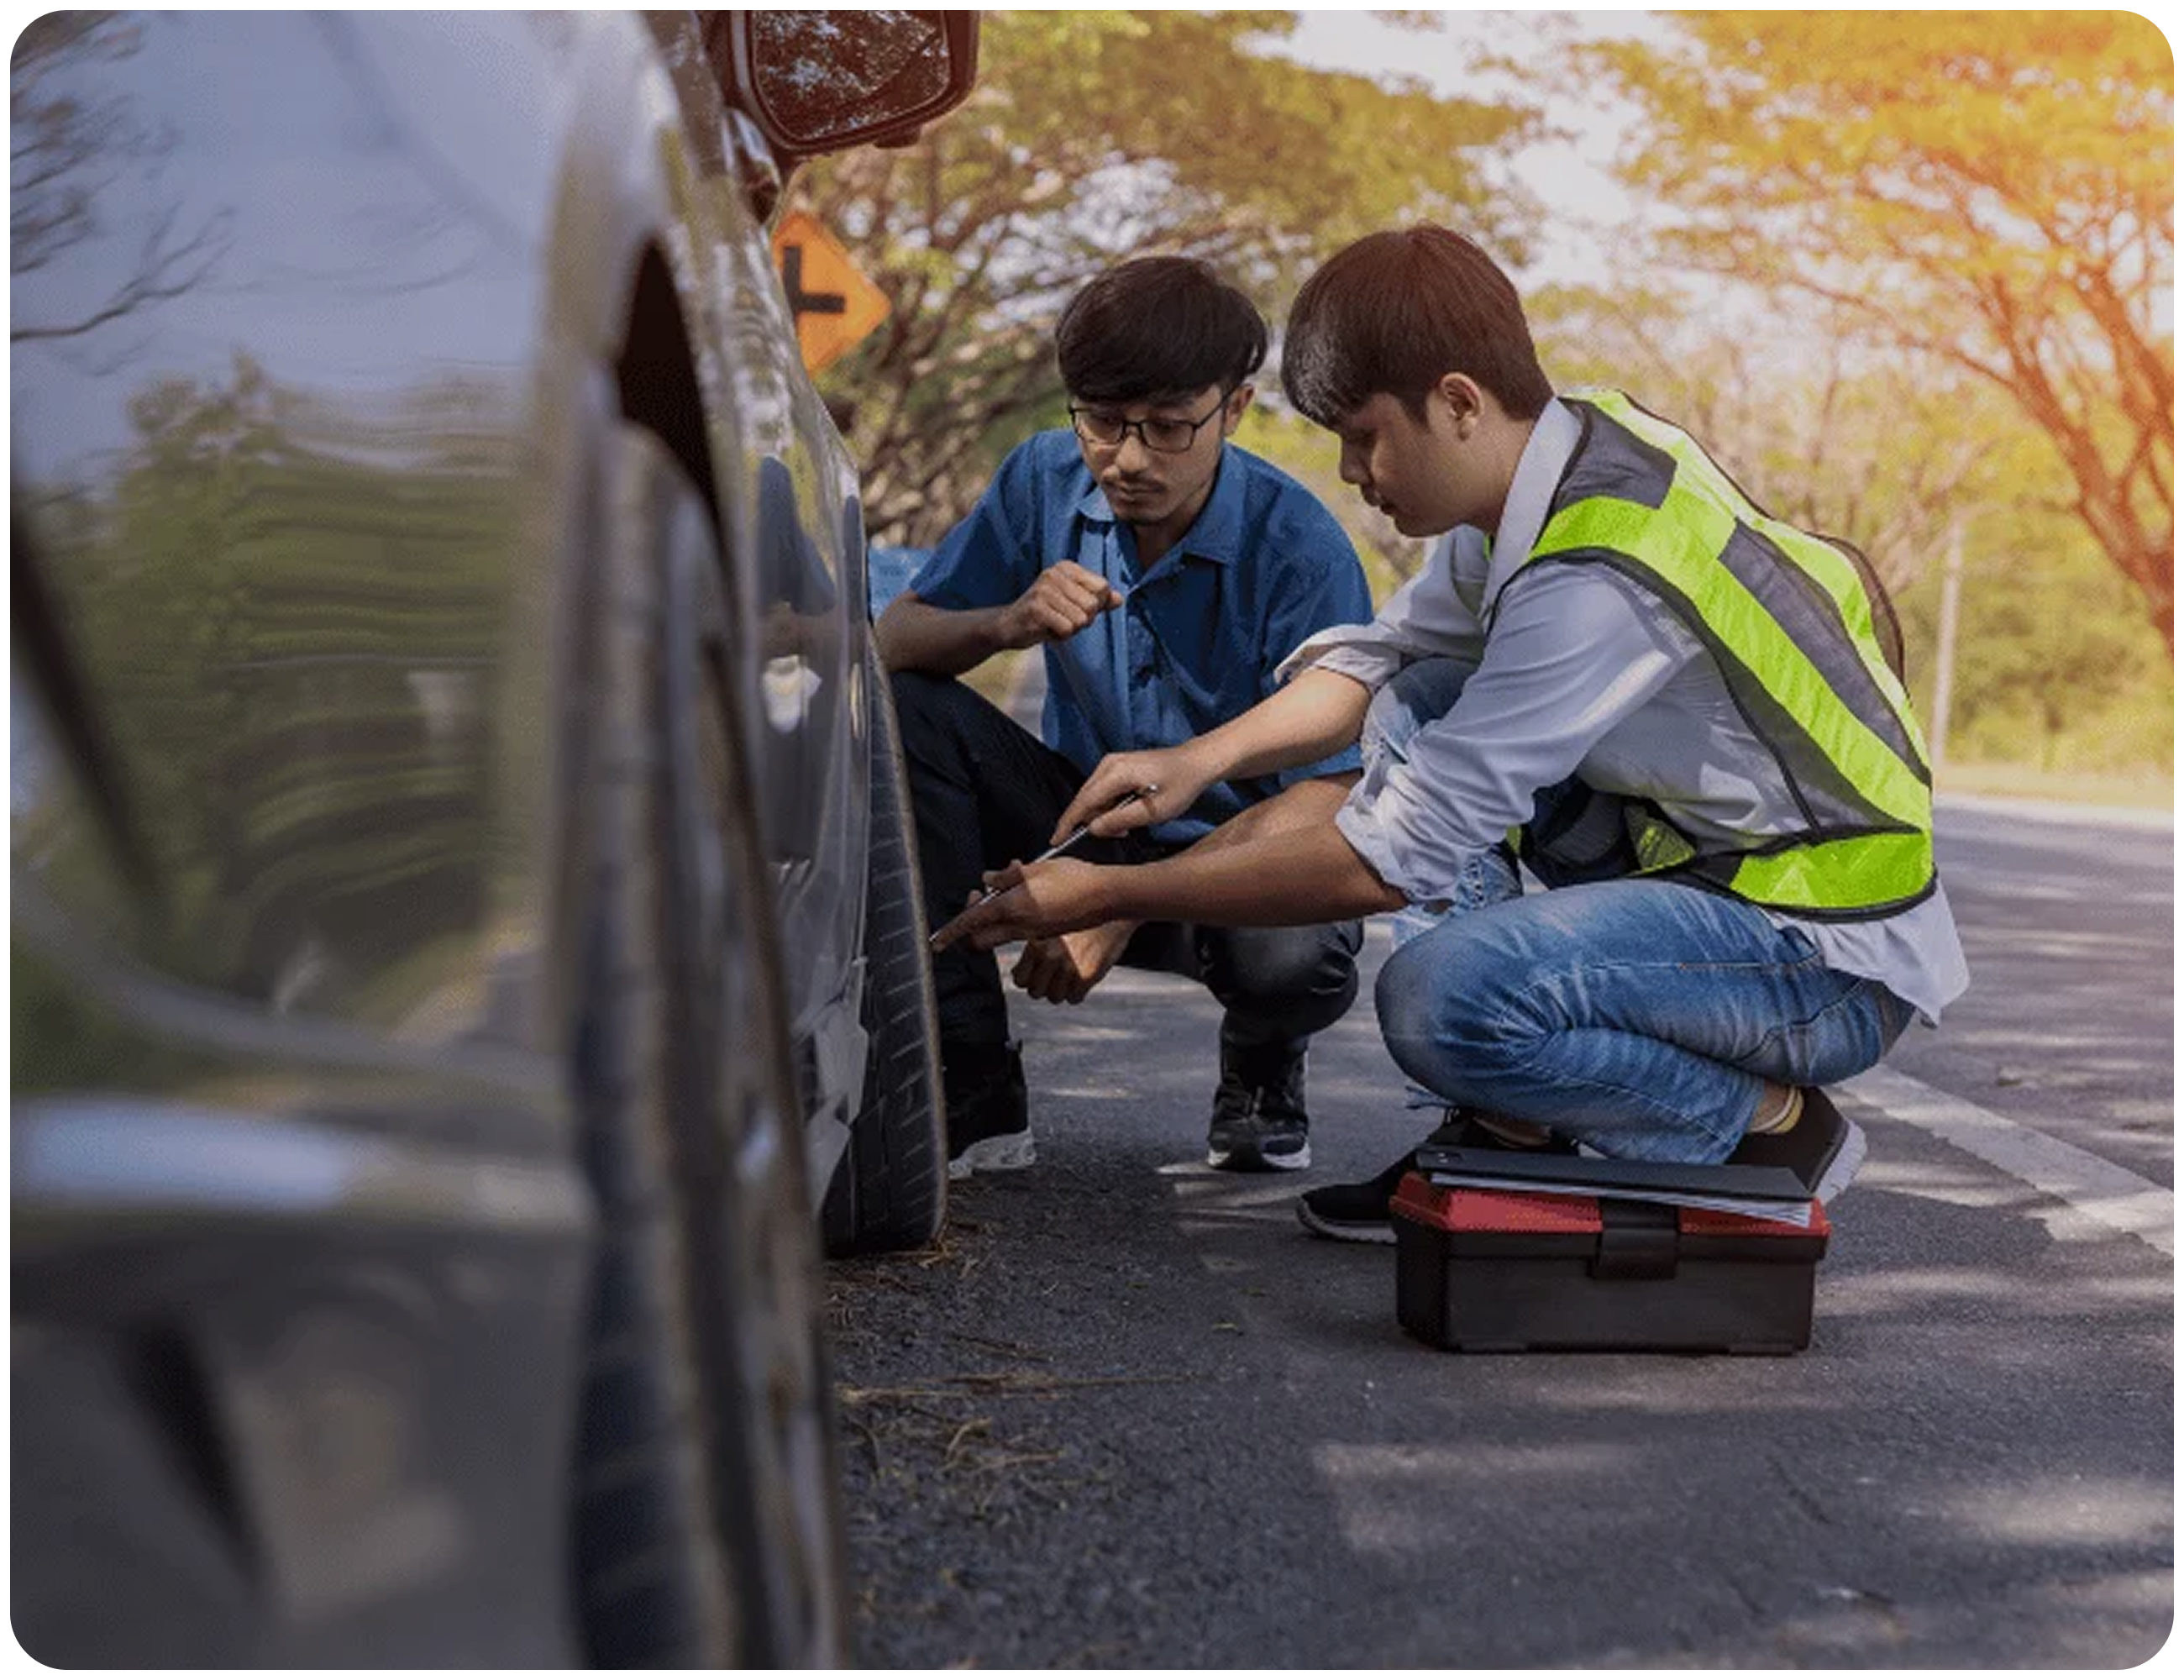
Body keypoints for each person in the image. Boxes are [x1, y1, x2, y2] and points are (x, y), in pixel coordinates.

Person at [931, 225, 1968, 1242]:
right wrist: (1196, 761)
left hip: (1816, 953)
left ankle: (1762, 1124)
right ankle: (1500, 1129)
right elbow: (1378, 661)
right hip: (1712, 880)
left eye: (1364, 436)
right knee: (1420, 692)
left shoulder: (1593, 576)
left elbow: (1390, 859)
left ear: (1458, 403)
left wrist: (1109, 893)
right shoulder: (1557, 460)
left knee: (1440, 1001)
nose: (1350, 470)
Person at [877, 255, 1375, 1179]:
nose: (1128, 459)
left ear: (1234, 408)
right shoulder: (1042, 478)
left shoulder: (1300, 548)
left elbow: (1335, 796)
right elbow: (893, 640)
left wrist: (1119, 901)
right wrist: (1004, 622)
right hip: (1081, 823)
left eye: (1168, 427)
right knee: (906, 713)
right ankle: (970, 1079)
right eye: (1103, 422)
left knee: (1293, 961)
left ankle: (1263, 1059)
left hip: (1238, 860)